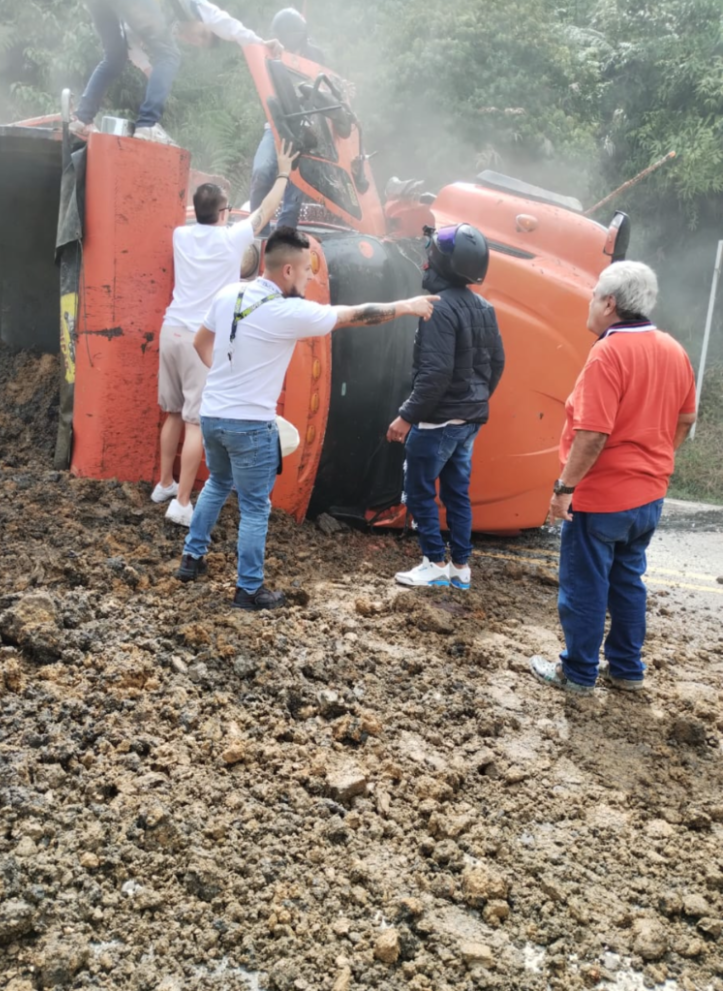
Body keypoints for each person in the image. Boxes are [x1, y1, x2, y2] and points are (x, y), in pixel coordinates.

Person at [175, 227, 440, 610]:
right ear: (286, 270)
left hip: (213, 414)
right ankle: (248, 590)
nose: (310, 278)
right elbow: (357, 316)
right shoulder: (287, 311)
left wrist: (226, 379)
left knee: (217, 484)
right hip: (250, 425)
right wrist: (405, 306)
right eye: (305, 271)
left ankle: (190, 560)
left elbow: (201, 344)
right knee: (254, 507)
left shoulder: (228, 294)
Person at [530, 260, 697, 695]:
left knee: (584, 585)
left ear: (609, 303)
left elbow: (592, 434)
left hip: (603, 496)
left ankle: (578, 674)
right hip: (649, 496)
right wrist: (654, 458)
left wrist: (563, 489)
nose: (588, 305)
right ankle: (626, 670)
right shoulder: (673, 349)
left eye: (592, 297)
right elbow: (686, 418)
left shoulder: (608, 352)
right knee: (627, 580)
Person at [151, 140, 299, 527]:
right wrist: (283, 172)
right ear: (223, 213)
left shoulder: (180, 236)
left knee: (170, 413)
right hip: (203, 336)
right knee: (196, 422)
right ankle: (182, 502)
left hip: (171, 332)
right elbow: (266, 210)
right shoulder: (232, 238)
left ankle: (164, 483)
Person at [387, 224, 505, 590]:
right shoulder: (485, 307)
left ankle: (434, 562)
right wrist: (474, 400)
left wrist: (406, 416)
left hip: (438, 422)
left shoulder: (438, 308)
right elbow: (497, 363)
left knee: (420, 489)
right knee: (456, 492)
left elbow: (435, 374)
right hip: (469, 420)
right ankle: (460, 568)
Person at [71, 0, 280, 145]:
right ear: (202, 23)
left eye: (199, 43)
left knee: (114, 58)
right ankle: (148, 125)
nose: (193, 40)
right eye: (202, 35)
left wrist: (146, 67)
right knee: (170, 55)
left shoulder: (163, 19)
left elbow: (129, 41)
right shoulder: (189, 3)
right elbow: (222, 20)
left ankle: (83, 119)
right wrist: (258, 42)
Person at [249, 8, 327, 231]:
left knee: (296, 184)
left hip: (306, 128)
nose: (288, 40)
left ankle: (284, 236)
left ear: (301, 34)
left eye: (292, 34)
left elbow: (324, 89)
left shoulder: (316, 56)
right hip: (277, 123)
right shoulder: (271, 51)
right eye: (284, 35)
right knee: (261, 172)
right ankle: (257, 231)